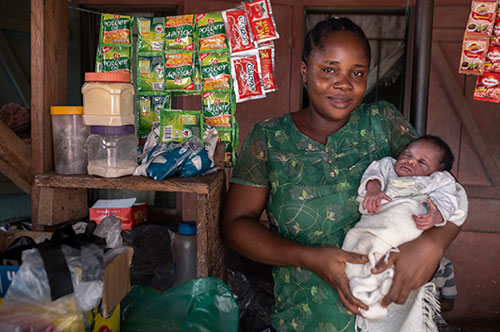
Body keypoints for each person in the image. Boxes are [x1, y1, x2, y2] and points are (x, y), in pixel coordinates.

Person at [222, 16, 465, 332]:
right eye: (328, 70)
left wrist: (433, 244)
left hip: (390, 317)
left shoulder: (383, 123)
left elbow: (446, 188)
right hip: (305, 319)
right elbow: (235, 226)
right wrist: (309, 258)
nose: (344, 83)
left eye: (357, 73)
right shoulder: (269, 138)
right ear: (304, 70)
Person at [342, 136, 467, 330]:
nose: (410, 161)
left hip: (407, 235)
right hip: (377, 225)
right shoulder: (387, 167)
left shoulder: (438, 181)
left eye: (422, 162)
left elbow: (449, 199)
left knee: (395, 274)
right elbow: (372, 175)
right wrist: (374, 189)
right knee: (360, 258)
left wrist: (437, 215)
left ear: (436, 171)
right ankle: (366, 290)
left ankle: (379, 296)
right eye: (407, 154)